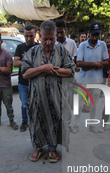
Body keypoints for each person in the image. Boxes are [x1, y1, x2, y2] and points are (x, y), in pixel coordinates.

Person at [21, 20, 75, 163]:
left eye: (52, 39)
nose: (49, 42)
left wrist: (53, 70)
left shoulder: (62, 51)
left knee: (55, 121)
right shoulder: (32, 52)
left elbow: (71, 70)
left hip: (57, 98)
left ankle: (52, 149)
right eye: (46, 39)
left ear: (56, 36)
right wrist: (42, 69)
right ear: (40, 36)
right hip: (36, 98)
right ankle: (38, 148)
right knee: (37, 121)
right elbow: (25, 74)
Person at [72, 21, 109, 134]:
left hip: (97, 80)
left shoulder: (102, 44)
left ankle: (92, 124)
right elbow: (79, 63)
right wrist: (94, 64)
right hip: (84, 80)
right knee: (79, 103)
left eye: (97, 35)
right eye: (93, 34)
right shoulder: (83, 45)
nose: (95, 37)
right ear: (89, 33)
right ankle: (76, 124)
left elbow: (106, 61)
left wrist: (89, 65)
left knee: (94, 104)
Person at [14, 25, 39, 132]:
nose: (28, 39)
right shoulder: (20, 47)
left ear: (35, 35)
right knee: (24, 104)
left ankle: (36, 122)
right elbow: (15, 63)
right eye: (26, 36)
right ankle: (25, 122)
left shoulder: (39, 47)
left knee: (37, 103)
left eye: (31, 36)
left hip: (36, 81)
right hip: (23, 82)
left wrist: (24, 63)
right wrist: (31, 63)